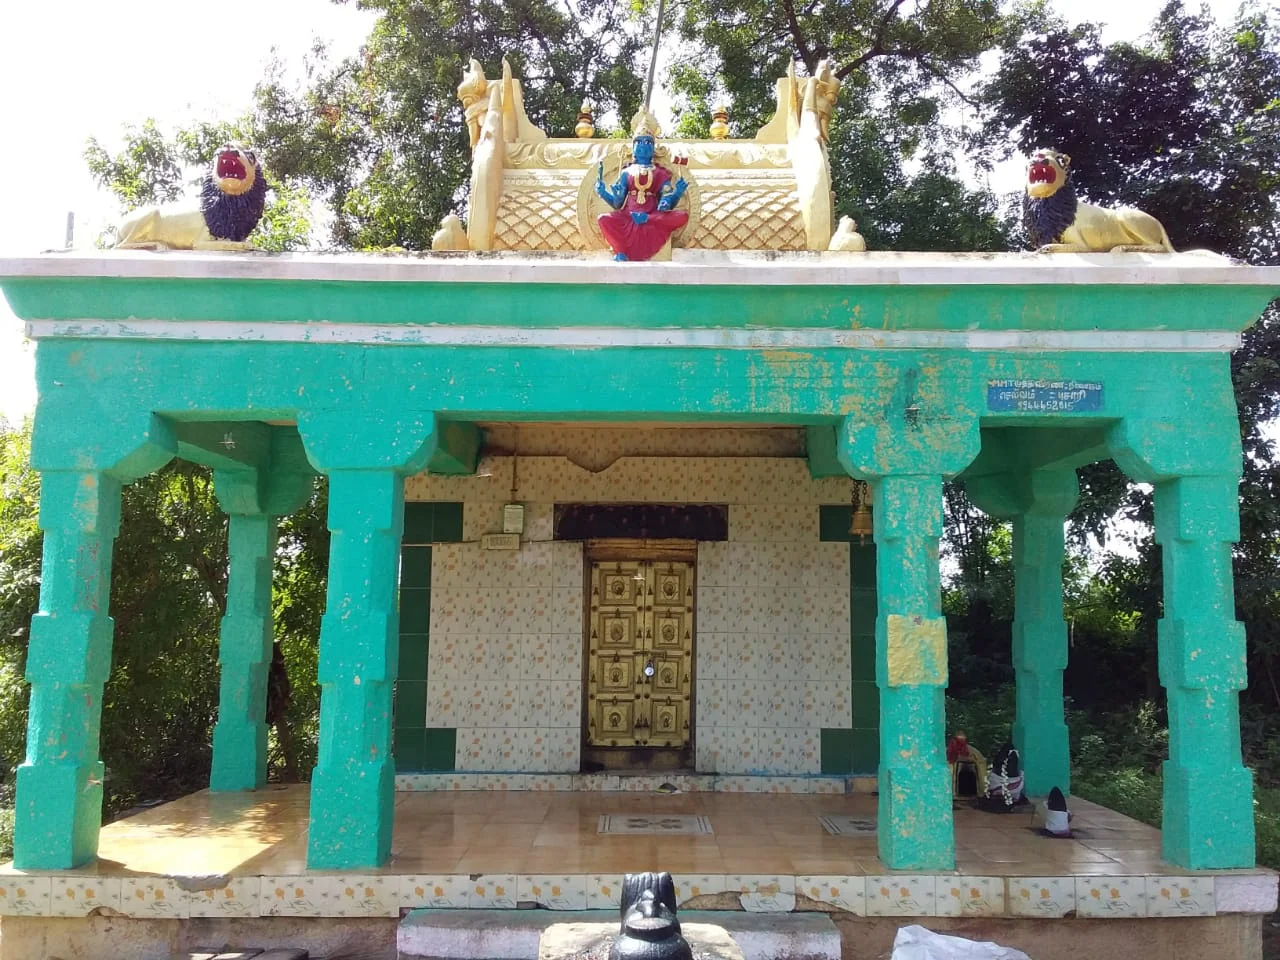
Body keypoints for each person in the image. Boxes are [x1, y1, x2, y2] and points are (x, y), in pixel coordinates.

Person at [597, 112, 688, 261]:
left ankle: (647, 219)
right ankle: (621, 252)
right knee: (604, 219)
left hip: (652, 217)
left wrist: (676, 194)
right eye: (639, 142)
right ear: (633, 147)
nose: (643, 146)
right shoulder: (626, 172)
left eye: (648, 142)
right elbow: (617, 203)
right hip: (629, 217)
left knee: (682, 216)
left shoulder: (660, 173)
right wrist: (603, 193)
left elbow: (666, 199)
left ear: (654, 148)